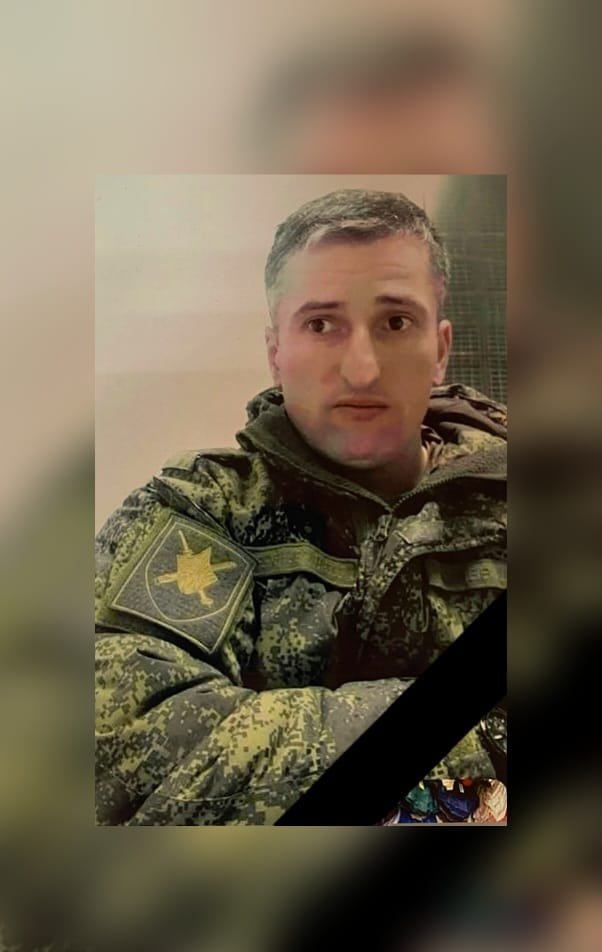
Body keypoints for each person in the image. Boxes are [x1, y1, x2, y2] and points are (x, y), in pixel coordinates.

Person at [96, 189, 506, 825]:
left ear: (440, 349)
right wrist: (479, 779)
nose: (362, 370)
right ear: (275, 354)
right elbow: (122, 760)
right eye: (321, 324)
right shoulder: (200, 510)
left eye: (396, 322)